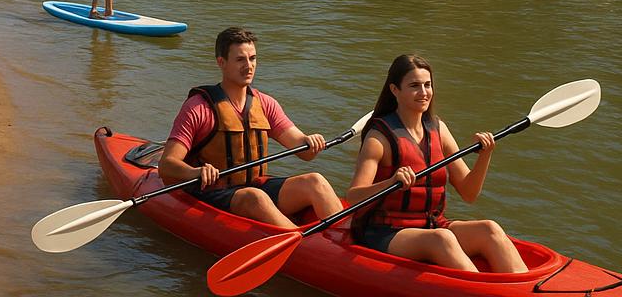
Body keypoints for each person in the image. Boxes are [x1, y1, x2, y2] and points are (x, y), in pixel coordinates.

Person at [347, 53, 526, 273]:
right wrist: (391, 182)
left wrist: (485, 155)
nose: (423, 93)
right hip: (385, 231)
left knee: (490, 229)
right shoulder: (379, 138)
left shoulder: (438, 129)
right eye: (414, 86)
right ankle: (482, 289)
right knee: (441, 239)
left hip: (432, 223)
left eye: (427, 85)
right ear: (395, 90)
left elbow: (469, 193)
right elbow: (353, 196)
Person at [158, 26, 343, 228]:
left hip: (254, 185)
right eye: (240, 60)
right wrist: (196, 172)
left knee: (315, 181)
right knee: (255, 198)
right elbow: (167, 165)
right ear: (222, 63)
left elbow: (303, 152)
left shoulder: (265, 104)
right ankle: (304, 246)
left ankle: (347, 239)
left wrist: (310, 141)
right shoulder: (198, 108)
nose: (249, 66)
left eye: (252, 58)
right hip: (214, 192)